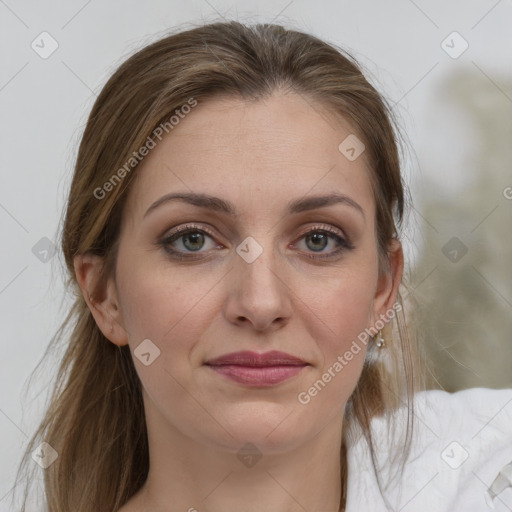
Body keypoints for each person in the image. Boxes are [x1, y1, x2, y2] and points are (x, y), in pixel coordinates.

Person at [14, 20, 512, 512]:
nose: (260, 303)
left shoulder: (482, 472)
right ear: (105, 295)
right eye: (192, 240)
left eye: (318, 240)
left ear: (383, 287)